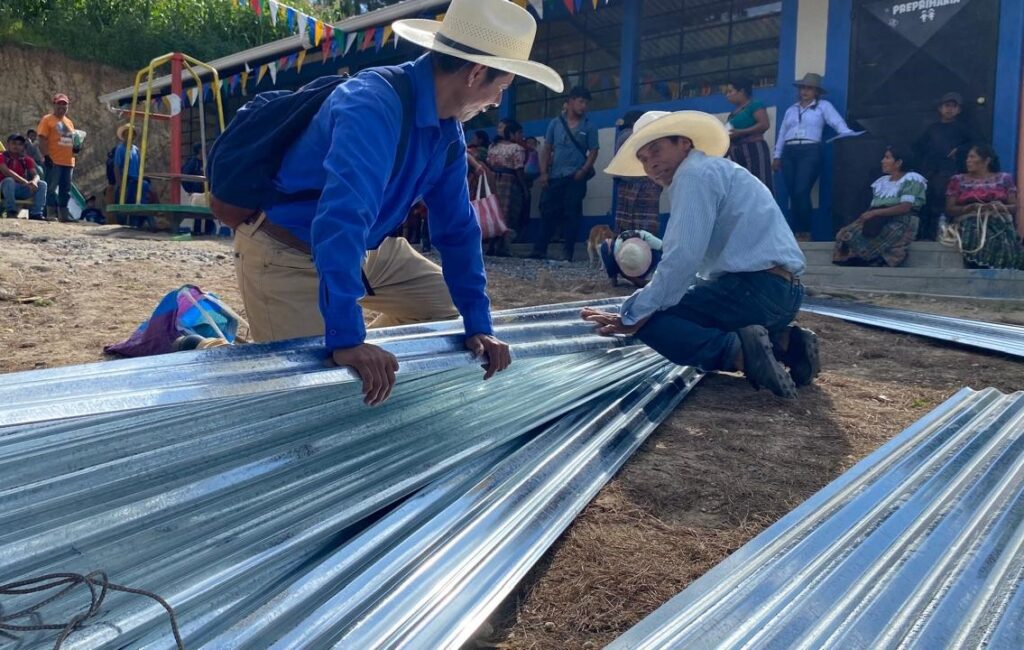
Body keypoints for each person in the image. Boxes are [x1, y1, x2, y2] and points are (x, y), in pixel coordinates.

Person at [229, 0, 562, 405]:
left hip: (370, 251)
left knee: (448, 316)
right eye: (501, 88)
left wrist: (479, 323)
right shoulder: (370, 104)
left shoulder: (448, 133)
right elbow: (341, 219)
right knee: (313, 395)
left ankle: (338, 327)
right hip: (287, 251)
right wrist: (347, 339)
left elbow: (458, 230)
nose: (496, 102)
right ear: (476, 73)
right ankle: (199, 345)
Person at [584, 110, 819, 399]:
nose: (651, 164)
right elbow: (695, 268)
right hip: (786, 295)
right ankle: (787, 343)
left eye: (656, 150)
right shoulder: (718, 170)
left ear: (684, 143)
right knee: (672, 304)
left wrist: (633, 315)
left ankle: (742, 355)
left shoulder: (692, 175)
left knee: (655, 321)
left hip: (754, 291)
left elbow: (682, 259)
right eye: (643, 159)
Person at [773, 73, 855, 238]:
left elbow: (836, 121)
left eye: (809, 88)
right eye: (803, 88)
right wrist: (777, 155)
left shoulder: (823, 106)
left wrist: (847, 133)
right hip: (789, 150)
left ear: (816, 91)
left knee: (801, 190)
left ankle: (804, 232)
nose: (805, 91)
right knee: (792, 193)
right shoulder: (791, 109)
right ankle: (795, 233)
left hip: (810, 150)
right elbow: (782, 132)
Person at [530, 86, 599, 261]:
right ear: (570, 101)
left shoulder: (589, 126)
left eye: (586, 103)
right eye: (581, 102)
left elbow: (593, 151)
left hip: (576, 177)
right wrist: (543, 173)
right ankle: (539, 250)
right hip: (555, 176)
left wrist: (583, 170)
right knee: (548, 212)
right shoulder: (555, 123)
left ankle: (568, 252)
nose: (584, 106)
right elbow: (547, 149)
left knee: (572, 214)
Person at [832, 145, 927, 267]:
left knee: (883, 235)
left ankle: (878, 258)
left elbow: (905, 207)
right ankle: (857, 258)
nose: (882, 161)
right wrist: (861, 219)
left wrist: (875, 213)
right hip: (877, 219)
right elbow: (873, 208)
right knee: (845, 233)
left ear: (898, 162)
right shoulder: (882, 182)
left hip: (901, 220)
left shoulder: (911, 179)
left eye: (887, 158)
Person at [944, 144, 1022, 269]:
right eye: (967, 157)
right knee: (974, 233)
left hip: (998, 220)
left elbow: (1014, 207)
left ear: (987, 160)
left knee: (1001, 239)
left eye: (972, 157)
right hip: (969, 221)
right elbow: (950, 209)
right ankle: (978, 264)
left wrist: (998, 207)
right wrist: (970, 208)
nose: (967, 160)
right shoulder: (957, 180)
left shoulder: (1004, 178)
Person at [913, 92, 975, 240]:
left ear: (959, 110)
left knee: (945, 202)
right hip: (931, 171)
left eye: (953, 106)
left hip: (951, 171)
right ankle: (925, 235)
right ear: (940, 108)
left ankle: (945, 235)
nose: (949, 109)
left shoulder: (963, 129)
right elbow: (918, 146)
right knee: (927, 202)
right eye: (947, 106)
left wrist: (960, 150)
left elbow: (977, 144)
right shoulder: (932, 128)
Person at [613, 110, 663, 235]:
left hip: (627, 185)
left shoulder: (622, 136)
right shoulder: (631, 136)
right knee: (645, 230)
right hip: (642, 185)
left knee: (625, 229)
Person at [486, 119, 528, 256]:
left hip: (493, 180)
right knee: (507, 213)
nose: (521, 136)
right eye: (519, 133)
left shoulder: (492, 146)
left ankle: (491, 245)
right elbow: (519, 169)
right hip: (509, 182)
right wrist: (524, 188)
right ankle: (502, 246)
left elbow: (488, 163)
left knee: (494, 212)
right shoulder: (517, 149)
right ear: (512, 133)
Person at [725, 80, 773, 191]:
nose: (727, 95)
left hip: (753, 149)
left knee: (760, 183)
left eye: (730, 91)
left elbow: (764, 124)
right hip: (737, 152)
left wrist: (740, 132)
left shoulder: (755, 105)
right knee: (743, 187)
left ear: (741, 91)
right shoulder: (732, 115)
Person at [36, 93, 77, 222]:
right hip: (53, 160)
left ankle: (64, 215)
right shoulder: (47, 119)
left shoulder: (69, 122)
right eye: (59, 103)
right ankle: (50, 213)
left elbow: (71, 140)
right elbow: (41, 139)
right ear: (54, 105)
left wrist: (76, 148)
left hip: (68, 161)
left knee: (66, 190)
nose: (62, 107)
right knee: (51, 188)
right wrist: (46, 156)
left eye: (64, 104)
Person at [0, 134, 48, 220]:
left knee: (42, 184)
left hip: (21, 188)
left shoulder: (26, 159)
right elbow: (6, 172)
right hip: (4, 189)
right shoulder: (1, 157)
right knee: (9, 180)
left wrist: (34, 182)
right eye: (14, 143)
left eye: (20, 144)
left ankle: (36, 213)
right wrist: (25, 182)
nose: (16, 146)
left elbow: (36, 175)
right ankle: (11, 211)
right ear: (8, 145)